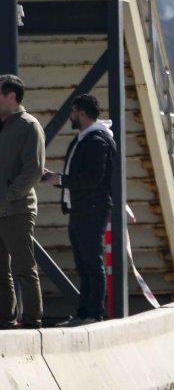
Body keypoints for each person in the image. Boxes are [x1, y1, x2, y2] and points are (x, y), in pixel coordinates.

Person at [44, 94, 115, 325]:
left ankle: (95, 313)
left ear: (82, 114)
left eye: (73, 112)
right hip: (78, 210)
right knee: (83, 263)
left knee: (93, 263)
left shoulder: (97, 140)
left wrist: (62, 180)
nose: (71, 117)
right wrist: (55, 178)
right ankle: (83, 312)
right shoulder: (82, 139)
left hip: (93, 210)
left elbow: (93, 179)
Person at [0, 75, 45, 329]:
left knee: (23, 267)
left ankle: (31, 320)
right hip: (1, 209)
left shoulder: (29, 126)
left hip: (17, 209)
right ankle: (6, 318)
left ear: (11, 97)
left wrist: (9, 196)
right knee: (0, 271)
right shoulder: (3, 126)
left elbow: (34, 169)